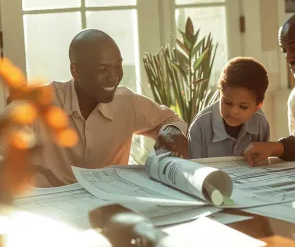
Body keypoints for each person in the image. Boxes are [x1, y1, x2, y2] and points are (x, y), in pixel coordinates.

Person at [0, 29, 188, 187]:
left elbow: (170, 120)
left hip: (111, 203)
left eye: (118, 66)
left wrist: (171, 131)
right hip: (51, 210)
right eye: (102, 69)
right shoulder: (40, 104)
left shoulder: (127, 103)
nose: (114, 77)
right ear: (76, 71)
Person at [188, 57, 270, 159]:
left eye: (243, 107)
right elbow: (194, 171)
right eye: (227, 103)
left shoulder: (261, 124)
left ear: (258, 106)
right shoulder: (200, 126)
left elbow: (262, 165)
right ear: (219, 94)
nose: (233, 111)